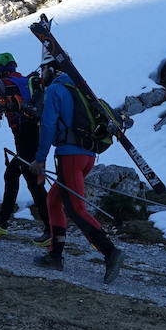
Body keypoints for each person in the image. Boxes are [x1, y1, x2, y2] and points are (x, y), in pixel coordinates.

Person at [28, 52, 124, 284]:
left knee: (74, 208)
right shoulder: (80, 88)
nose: (41, 75)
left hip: (70, 154)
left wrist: (40, 159)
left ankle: (110, 252)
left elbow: (48, 125)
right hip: (88, 155)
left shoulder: (55, 90)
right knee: (54, 201)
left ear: (51, 69)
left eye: (43, 70)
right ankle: (55, 255)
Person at [0, 52, 50, 241]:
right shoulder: (26, 81)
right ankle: (2, 220)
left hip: (24, 134)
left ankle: (51, 229)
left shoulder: (6, 84)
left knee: (34, 183)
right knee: (14, 174)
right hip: (35, 132)